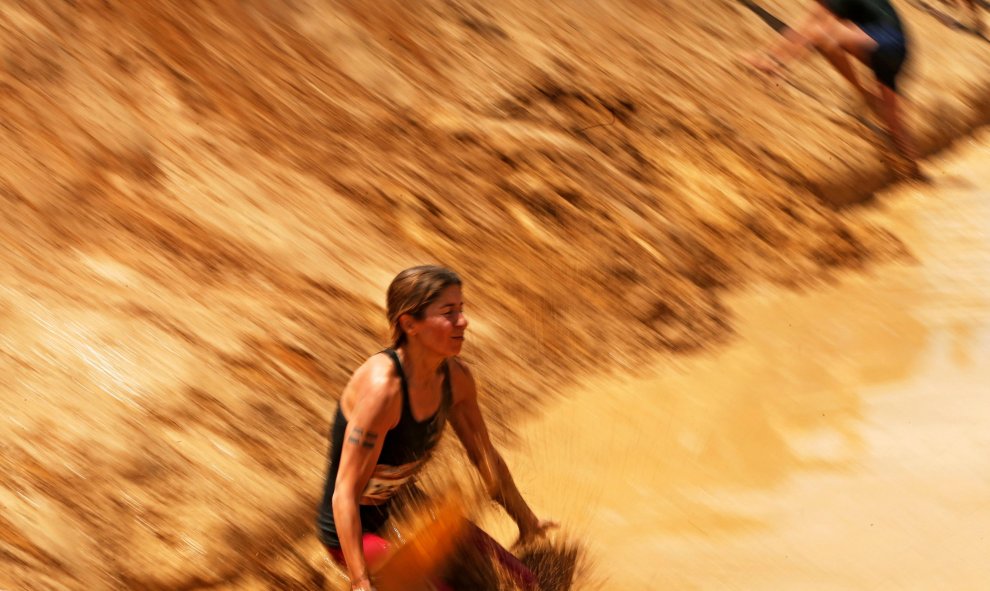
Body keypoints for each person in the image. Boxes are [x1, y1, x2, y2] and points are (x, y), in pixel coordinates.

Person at [316, 265, 555, 591]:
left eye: (462, 310)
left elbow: (485, 456)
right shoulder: (383, 390)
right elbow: (344, 494)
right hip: (356, 532)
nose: (463, 321)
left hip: (407, 510)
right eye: (448, 313)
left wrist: (525, 520)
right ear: (409, 323)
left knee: (524, 582)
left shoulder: (457, 380)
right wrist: (360, 583)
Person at [748, 0, 923, 178]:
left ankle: (775, 66)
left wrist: (774, 58)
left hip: (882, 44)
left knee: (824, 35)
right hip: (898, 50)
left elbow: (809, 27)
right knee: (892, 119)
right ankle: (914, 166)